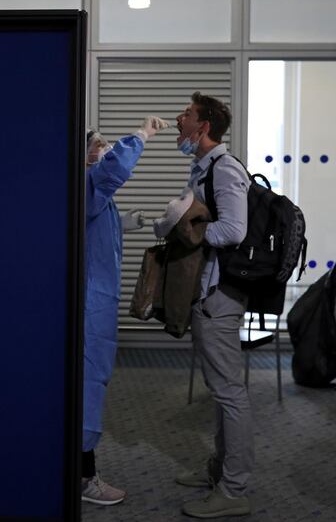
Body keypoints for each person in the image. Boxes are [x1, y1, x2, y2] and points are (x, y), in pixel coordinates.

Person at [172, 92, 252, 519]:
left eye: (186, 115)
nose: (179, 120)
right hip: (209, 292)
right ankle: (217, 471)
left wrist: (191, 230)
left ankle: (234, 491)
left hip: (221, 296)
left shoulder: (224, 169)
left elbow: (234, 231)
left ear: (203, 128)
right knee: (222, 392)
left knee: (229, 392)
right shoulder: (203, 166)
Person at [82, 116, 169, 505]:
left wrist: (125, 222)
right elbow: (114, 169)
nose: (100, 150)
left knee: (89, 382)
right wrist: (142, 135)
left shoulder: (88, 189)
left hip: (94, 302)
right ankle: (84, 478)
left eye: (102, 143)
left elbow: (96, 223)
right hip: (89, 305)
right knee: (85, 386)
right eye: (95, 145)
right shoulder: (86, 181)